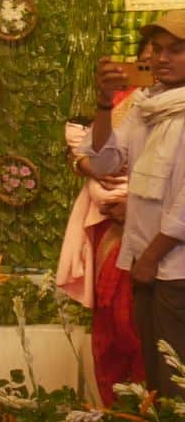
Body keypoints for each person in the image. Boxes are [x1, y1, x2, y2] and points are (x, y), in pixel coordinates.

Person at [75, 9, 185, 399]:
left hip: (173, 268)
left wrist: (152, 258)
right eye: (157, 50)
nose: (162, 58)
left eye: (176, 50)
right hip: (145, 264)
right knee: (155, 379)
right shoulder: (145, 105)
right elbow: (105, 161)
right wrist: (105, 105)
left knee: (177, 381)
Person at [58, 117, 144, 400]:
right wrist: (84, 164)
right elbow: (83, 149)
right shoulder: (120, 102)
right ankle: (120, 418)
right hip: (110, 223)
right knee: (112, 321)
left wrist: (138, 206)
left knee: (139, 326)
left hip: (160, 230)